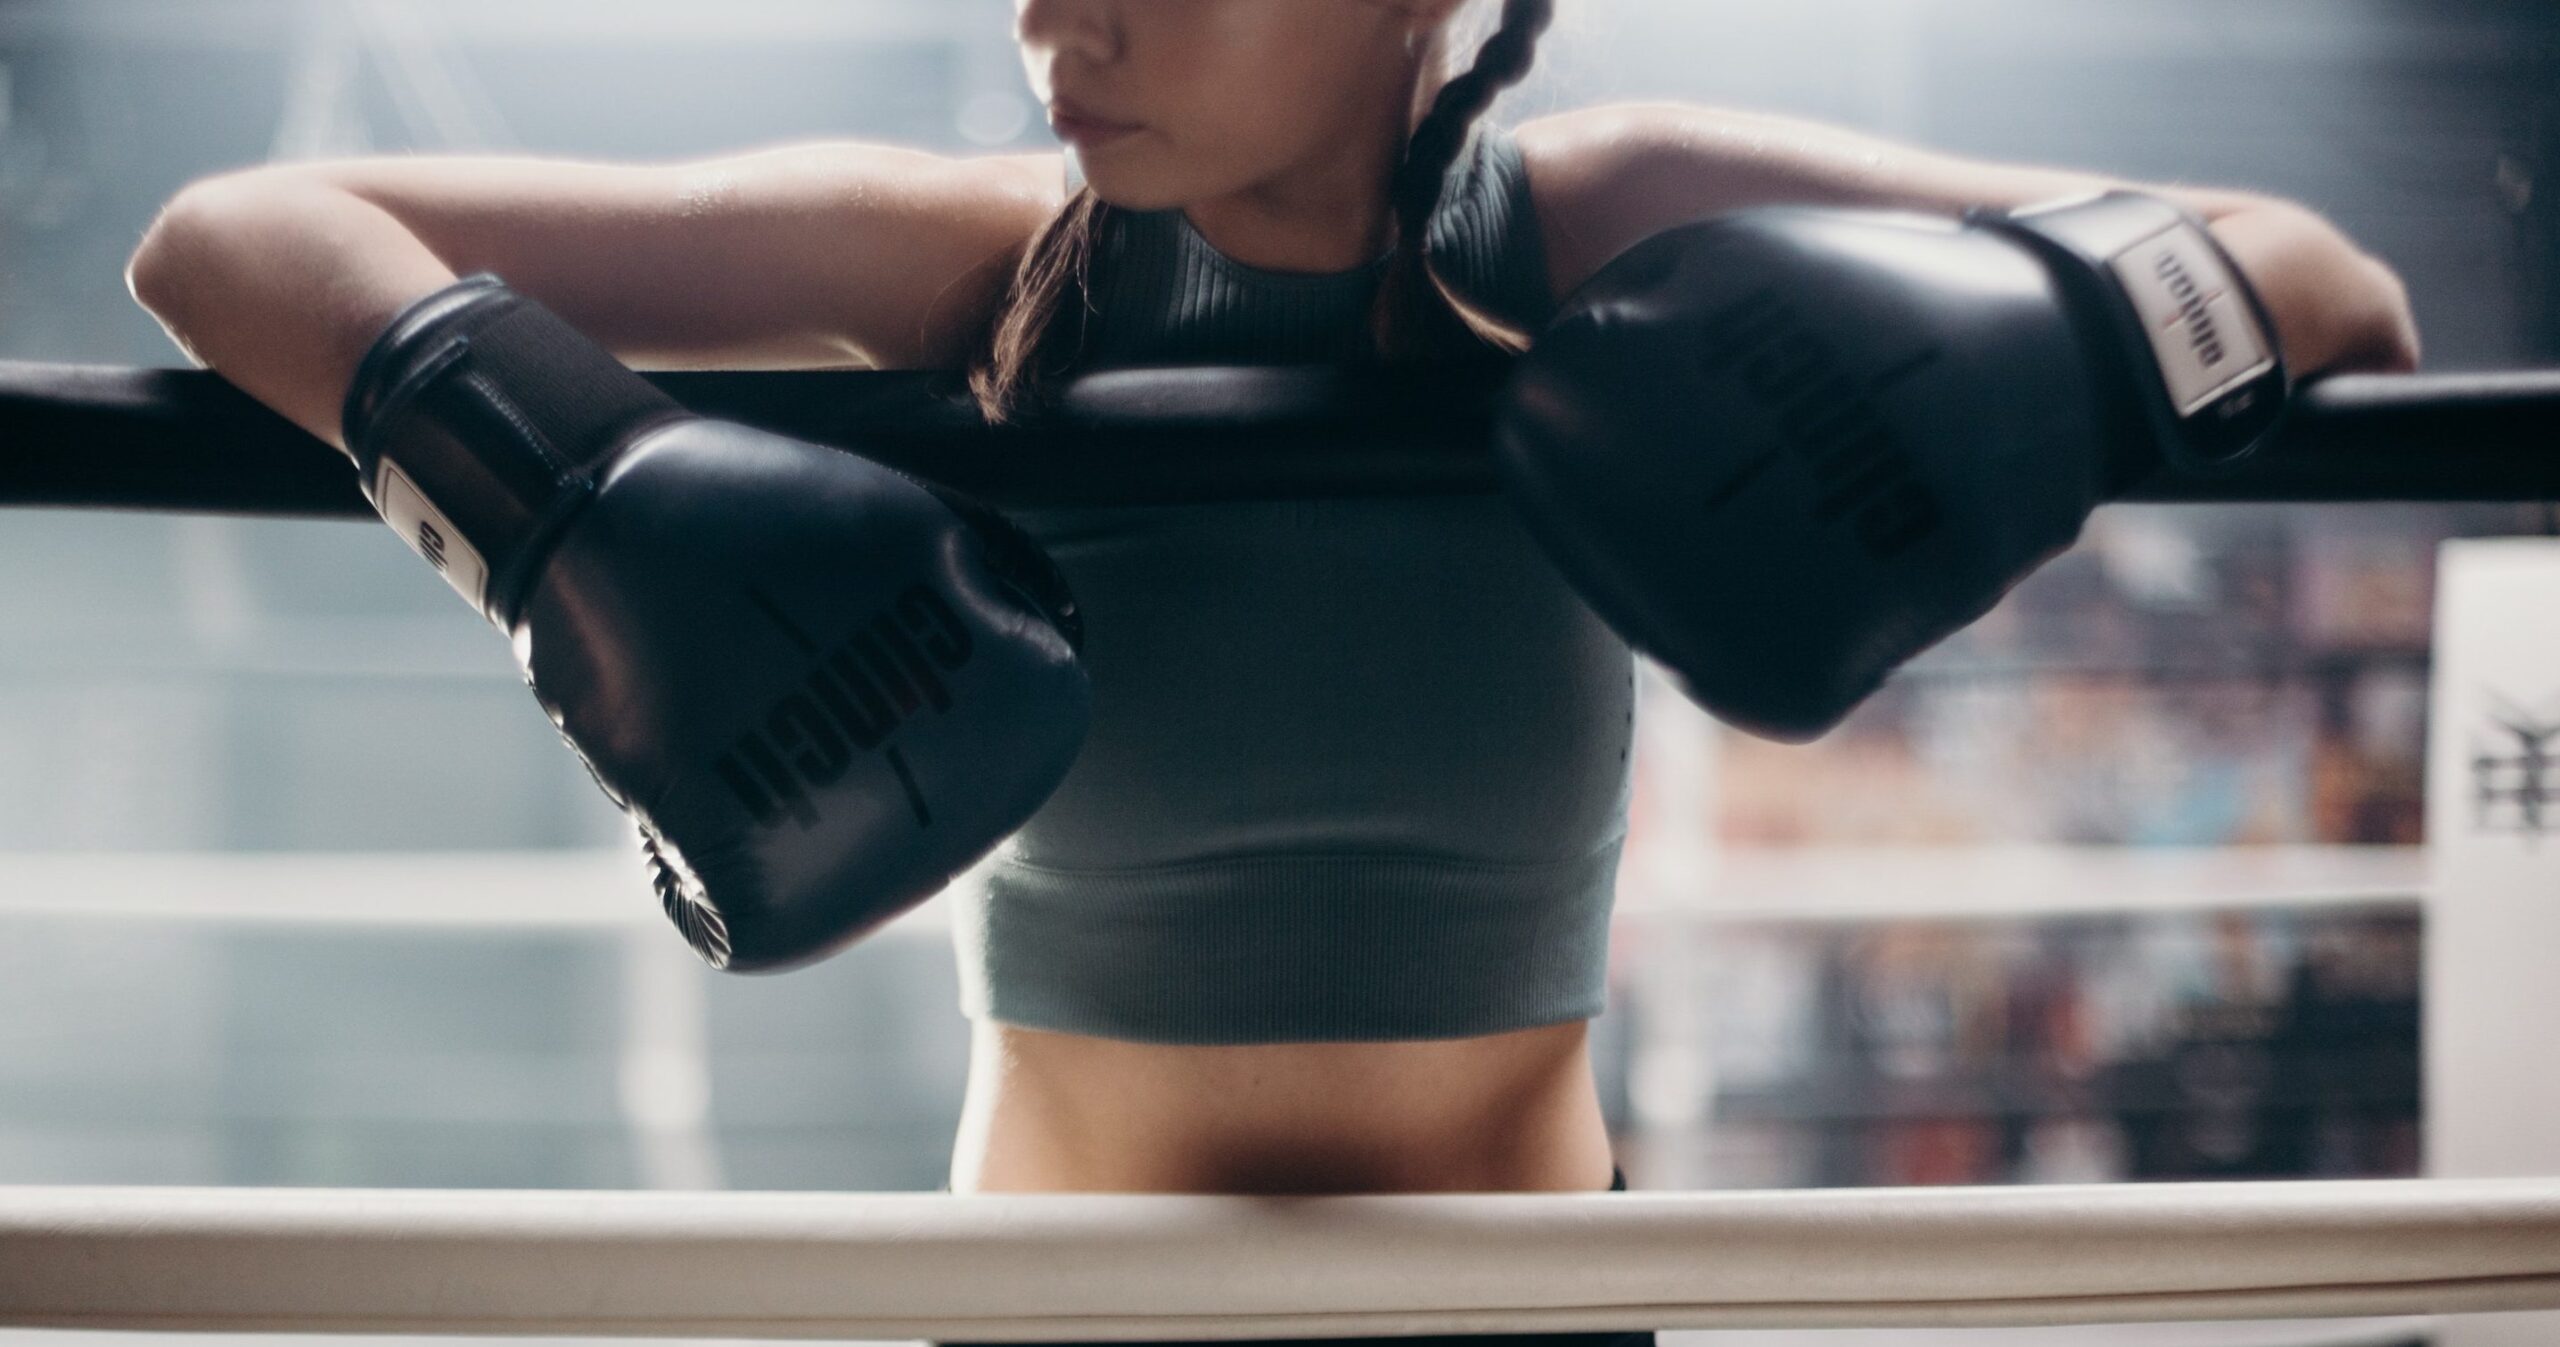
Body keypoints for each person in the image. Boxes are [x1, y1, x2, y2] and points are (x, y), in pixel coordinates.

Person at [127, 0, 2418, 1275]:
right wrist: (573, 493)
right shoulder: (972, 261)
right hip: (1052, 1297)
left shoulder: (1586, 225)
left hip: (1523, 1296)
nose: (1054, 12)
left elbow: (2315, 280)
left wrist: (2039, 352)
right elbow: (231, 239)